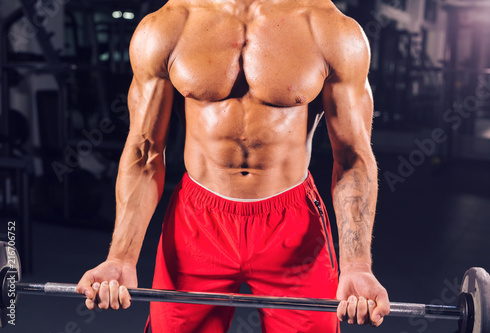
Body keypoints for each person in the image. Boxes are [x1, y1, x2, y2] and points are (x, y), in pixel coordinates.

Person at [76, 0, 390, 331]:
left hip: (292, 226)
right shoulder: (169, 25)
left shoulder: (330, 28)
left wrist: (356, 265)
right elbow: (144, 151)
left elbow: (352, 156)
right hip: (198, 222)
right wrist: (121, 257)